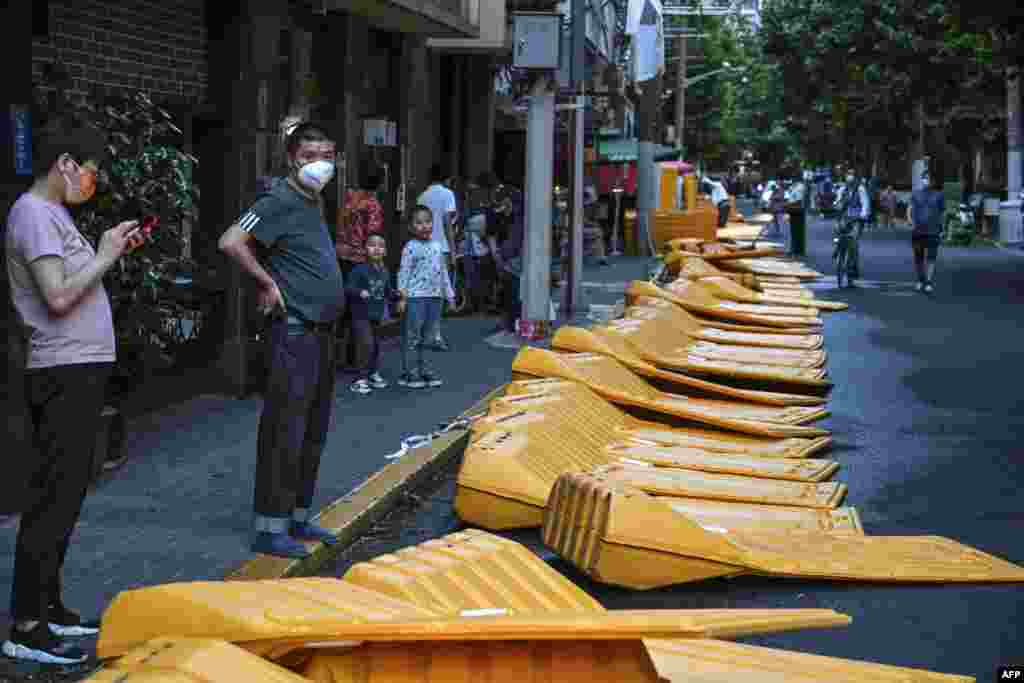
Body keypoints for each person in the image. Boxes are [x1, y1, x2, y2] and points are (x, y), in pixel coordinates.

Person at [3, 116, 145, 664]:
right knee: (53, 496)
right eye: (90, 172)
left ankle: (50, 606)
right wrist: (107, 253)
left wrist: (109, 252)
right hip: (62, 369)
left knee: (68, 493)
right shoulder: (34, 214)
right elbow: (58, 297)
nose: (93, 182)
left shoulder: (52, 214)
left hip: (80, 367)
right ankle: (27, 625)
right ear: (64, 164)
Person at [218, 122, 345, 560]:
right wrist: (266, 282)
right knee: (285, 431)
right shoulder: (277, 199)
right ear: (293, 158)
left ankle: (297, 516)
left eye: (327, 155)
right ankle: (270, 527)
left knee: (312, 431)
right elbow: (231, 241)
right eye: (311, 156)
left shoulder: (314, 201)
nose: (320, 164)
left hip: (322, 335)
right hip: (294, 333)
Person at [397, 205, 455, 388]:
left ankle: (426, 370)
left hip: (435, 297)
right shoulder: (410, 247)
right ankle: (410, 372)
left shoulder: (437, 247)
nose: (424, 226)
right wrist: (402, 297)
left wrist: (450, 295)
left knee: (429, 337)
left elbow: (443, 272)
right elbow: (403, 272)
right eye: (419, 223)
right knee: (413, 336)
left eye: (428, 221)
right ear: (411, 227)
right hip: (415, 297)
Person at [336, 168, 384, 369]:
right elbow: (372, 235)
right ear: (380, 184)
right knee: (363, 310)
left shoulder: (349, 199)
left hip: (342, 256)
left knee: (345, 309)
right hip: (361, 260)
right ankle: (358, 358)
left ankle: (341, 356)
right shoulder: (372, 205)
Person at [346, 234, 403, 394]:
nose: (377, 248)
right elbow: (348, 288)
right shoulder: (359, 270)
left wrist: (396, 295)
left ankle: (372, 373)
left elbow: (387, 290)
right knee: (365, 344)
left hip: (376, 314)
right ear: (365, 250)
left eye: (381, 246)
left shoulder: (384, 271)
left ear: (385, 251)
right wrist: (359, 292)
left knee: (376, 345)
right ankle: (360, 378)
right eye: (372, 245)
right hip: (361, 314)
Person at [416, 165, 457, 351]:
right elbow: (448, 223)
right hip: (441, 248)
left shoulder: (422, 196)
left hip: (423, 248)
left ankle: (423, 333)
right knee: (439, 293)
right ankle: (436, 335)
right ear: (446, 179)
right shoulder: (447, 194)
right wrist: (454, 251)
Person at [487, 183, 524, 334]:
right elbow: (492, 236)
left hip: (513, 258)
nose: (503, 207)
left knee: (512, 290)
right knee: (508, 290)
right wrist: (497, 256)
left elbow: (513, 241)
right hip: (506, 257)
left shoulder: (518, 217)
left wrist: (500, 257)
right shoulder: (500, 215)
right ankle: (509, 321)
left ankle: (511, 322)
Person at [908, 167, 946, 293]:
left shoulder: (939, 195)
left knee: (931, 257)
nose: (927, 181)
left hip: (933, 230)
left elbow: (942, 213)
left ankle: (928, 281)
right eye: (925, 178)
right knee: (918, 257)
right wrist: (910, 221)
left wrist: (943, 228)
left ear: (933, 181)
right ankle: (920, 279)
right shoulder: (915, 193)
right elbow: (910, 208)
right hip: (918, 230)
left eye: (929, 179)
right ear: (922, 180)